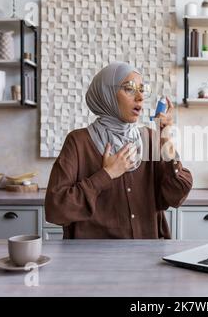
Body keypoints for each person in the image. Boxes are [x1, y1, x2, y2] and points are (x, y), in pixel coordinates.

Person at [45, 61, 193, 239]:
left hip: (146, 256)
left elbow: (177, 195)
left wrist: (166, 140)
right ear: (106, 94)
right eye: (129, 89)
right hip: (92, 259)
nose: (140, 97)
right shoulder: (78, 142)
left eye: (141, 89)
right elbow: (56, 210)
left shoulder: (152, 139)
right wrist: (106, 175)